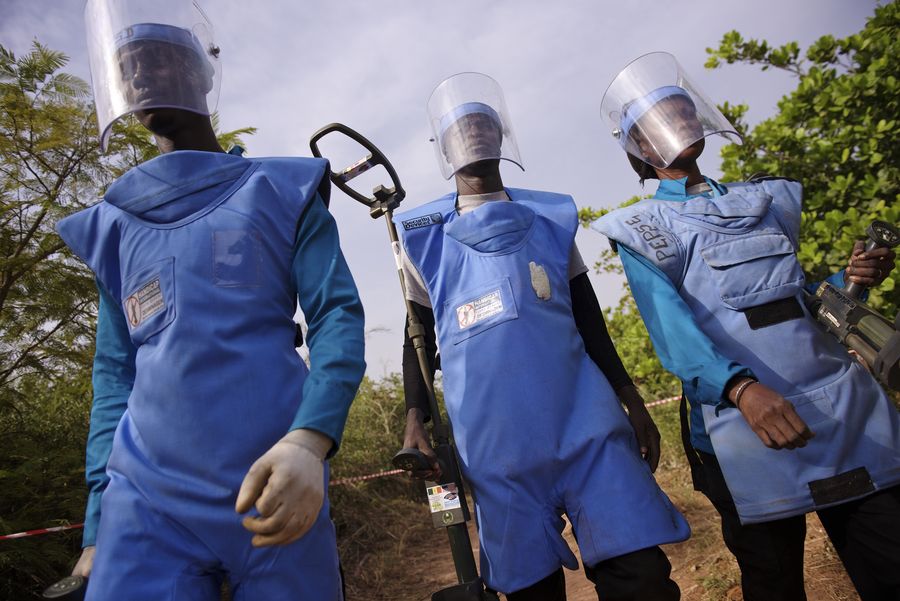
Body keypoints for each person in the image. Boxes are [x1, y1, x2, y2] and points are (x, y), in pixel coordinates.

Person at [58, 1, 365, 599]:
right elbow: (114, 374)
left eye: (160, 59)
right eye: (128, 65)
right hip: (146, 501)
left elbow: (337, 317)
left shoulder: (281, 191)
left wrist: (311, 439)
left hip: (273, 477)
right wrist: (98, 525)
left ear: (203, 75)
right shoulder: (115, 227)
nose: (142, 74)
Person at [592, 51, 900, 601]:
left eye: (683, 112)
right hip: (740, 428)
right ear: (639, 148)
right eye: (660, 120)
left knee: (888, 557)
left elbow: (793, 300)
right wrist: (741, 388)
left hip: (836, 408)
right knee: (774, 581)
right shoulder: (639, 227)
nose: (677, 125)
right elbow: (675, 335)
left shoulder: (767, 198)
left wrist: (849, 278)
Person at [395, 71, 690, 601]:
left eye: (485, 125)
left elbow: (589, 319)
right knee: (532, 592)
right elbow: (417, 339)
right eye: (462, 129)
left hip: (587, 428)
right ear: (444, 148)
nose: (475, 135)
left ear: (502, 136)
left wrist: (631, 400)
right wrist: (413, 419)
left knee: (642, 579)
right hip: (495, 447)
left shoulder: (550, 216)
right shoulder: (421, 237)